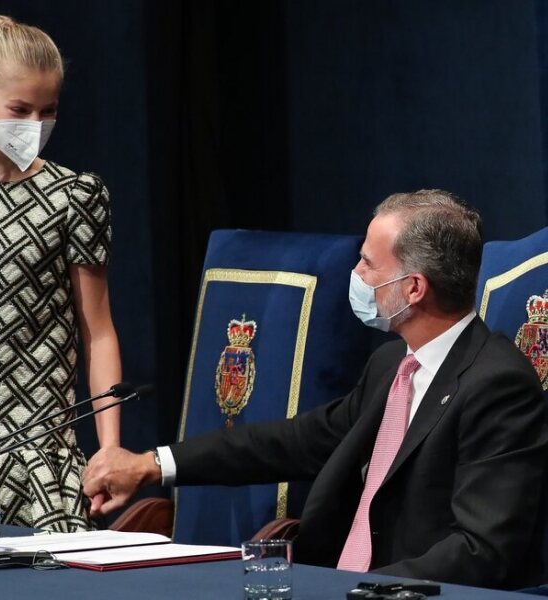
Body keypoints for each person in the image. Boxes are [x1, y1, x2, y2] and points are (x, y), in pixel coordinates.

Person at [83, 190, 548, 589]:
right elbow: (296, 443)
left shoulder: (497, 384)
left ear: (413, 288)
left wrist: (359, 591)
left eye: (367, 263)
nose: (357, 276)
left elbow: (481, 550)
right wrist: (151, 465)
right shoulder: (392, 364)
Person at [0, 15, 122, 531]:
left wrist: (108, 449)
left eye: (48, 111)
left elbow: (99, 331)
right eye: (19, 110)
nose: (35, 125)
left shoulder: (74, 196)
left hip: (35, 456)